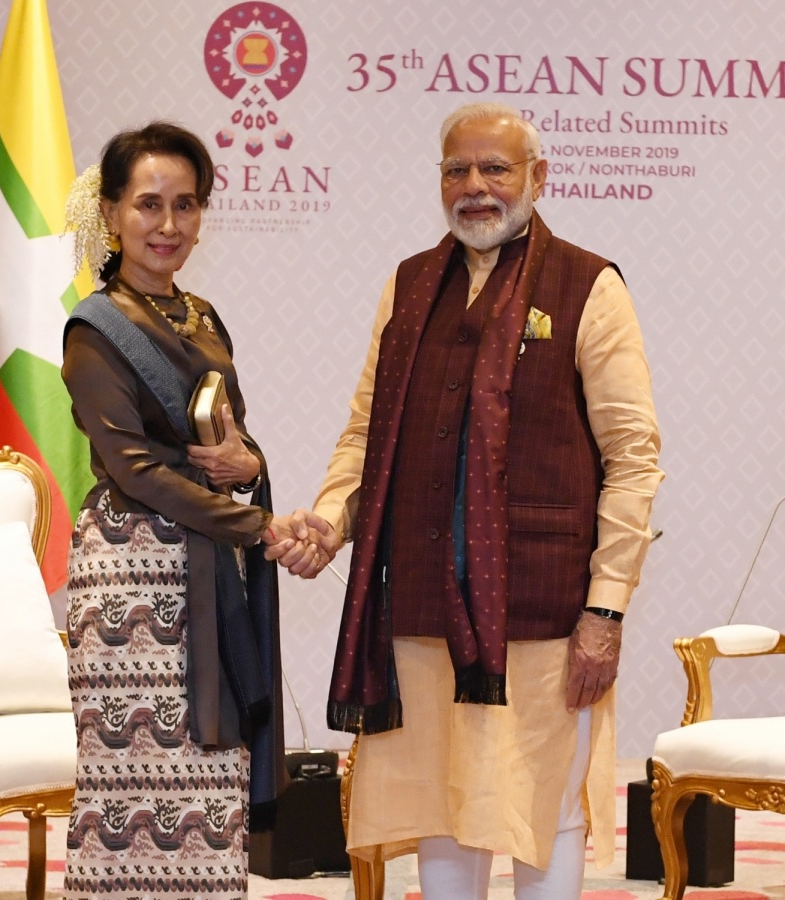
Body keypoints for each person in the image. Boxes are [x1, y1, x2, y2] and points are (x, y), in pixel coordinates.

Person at [269, 102, 663, 899]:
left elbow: (633, 457)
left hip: (544, 610)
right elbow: (365, 432)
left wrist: (606, 609)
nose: (475, 186)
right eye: (457, 169)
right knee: (443, 803)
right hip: (417, 600)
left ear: (536, 178)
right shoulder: (411, 284)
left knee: (538, 806)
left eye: (496, 169)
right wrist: (331, 521)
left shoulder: (588, 284)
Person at [60, 121, 313, 900]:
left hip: (206, 564)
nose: (167, 226)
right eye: (147, 205)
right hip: (133, 586)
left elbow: (226, 445)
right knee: (134, 791)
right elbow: (134, 469)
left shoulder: (201, 314)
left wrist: (254, 466)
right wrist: (257, 525)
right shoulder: (93, 329)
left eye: (185, 205)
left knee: (209, 791)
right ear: (109, 213)